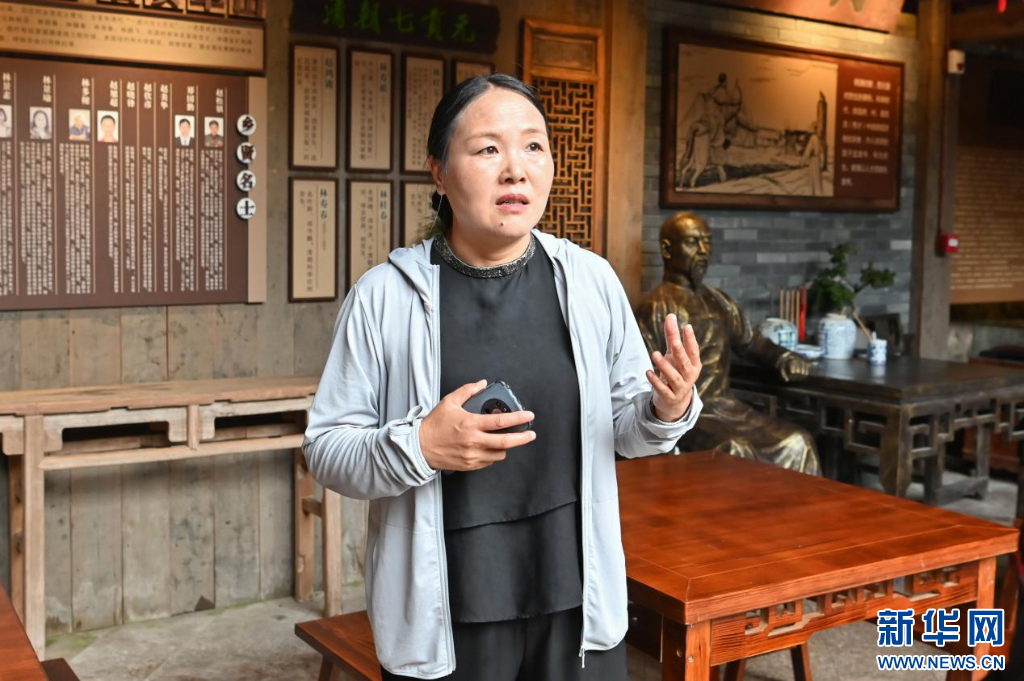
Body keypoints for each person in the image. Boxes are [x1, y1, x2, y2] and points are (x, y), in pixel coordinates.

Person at [302, 74, 705, 681]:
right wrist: (421, 446)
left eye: (533, 146)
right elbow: (327, 450)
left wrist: (665, 410)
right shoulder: (385, 297)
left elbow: (625, 430)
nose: (515, 169)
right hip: (447, 607)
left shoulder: (589, 282)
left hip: (577, 594)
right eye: (488, 148)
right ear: (439, 173)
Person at [634, 211, 820, 475]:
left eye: (707, 242)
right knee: (734, 449)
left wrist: (784, 357)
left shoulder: (719, 300)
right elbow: (643, 376)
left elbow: (751, 341)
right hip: (687, 412)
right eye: (692, 242)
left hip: (727, 407)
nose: (703, 250)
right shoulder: (654, 307)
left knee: (798, 441)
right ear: (667, 249)